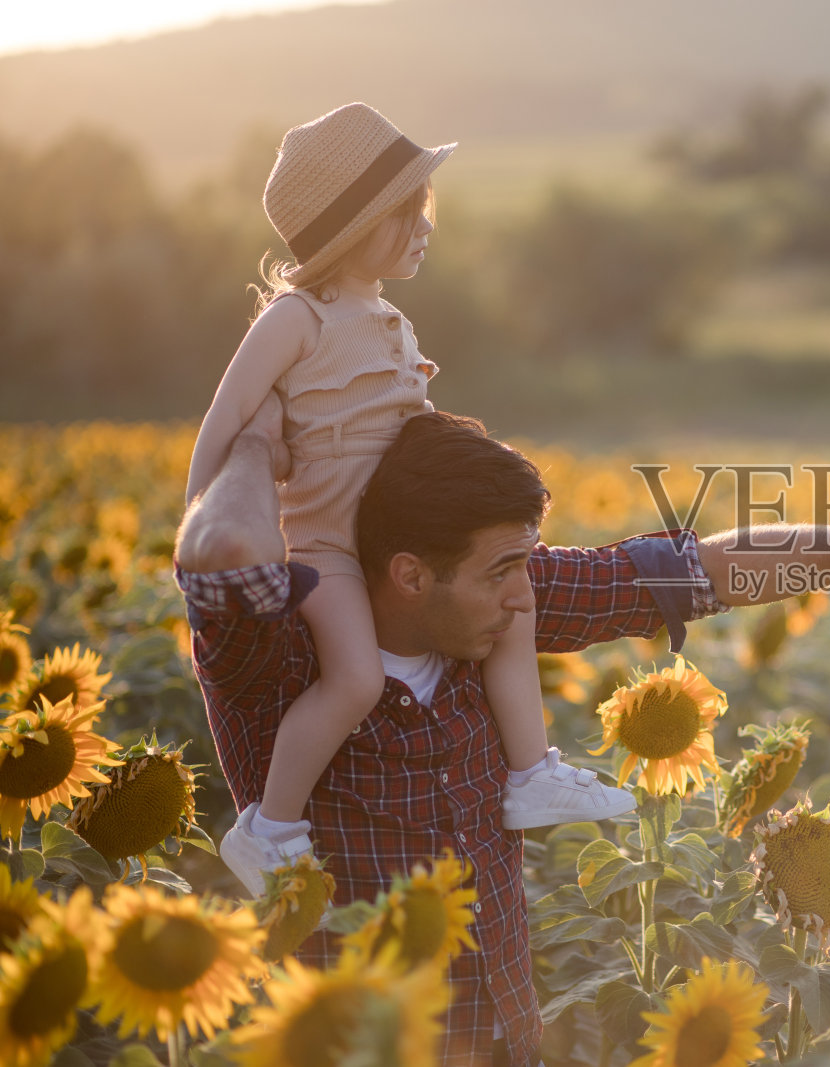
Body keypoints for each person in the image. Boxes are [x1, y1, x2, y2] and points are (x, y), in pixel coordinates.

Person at [175, 401, 830, 1066]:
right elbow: (218, 548)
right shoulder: (280, 661)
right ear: (409, 573)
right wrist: (259, 428)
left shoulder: (494, 618)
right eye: (504, 568)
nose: (528, 594)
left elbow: (706, 568)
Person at [182, 102, 631, 901]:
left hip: (400, 536)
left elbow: (414, 434)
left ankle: (530, 773)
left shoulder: (391, 319)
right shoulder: (299, 318)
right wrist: (199, 546)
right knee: (354, 680)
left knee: (512, 608)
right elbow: (225, 420)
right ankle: (268, 826)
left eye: (424, 207)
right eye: (407, 211)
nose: (426, 224)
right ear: (352, 228)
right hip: (328, 553)